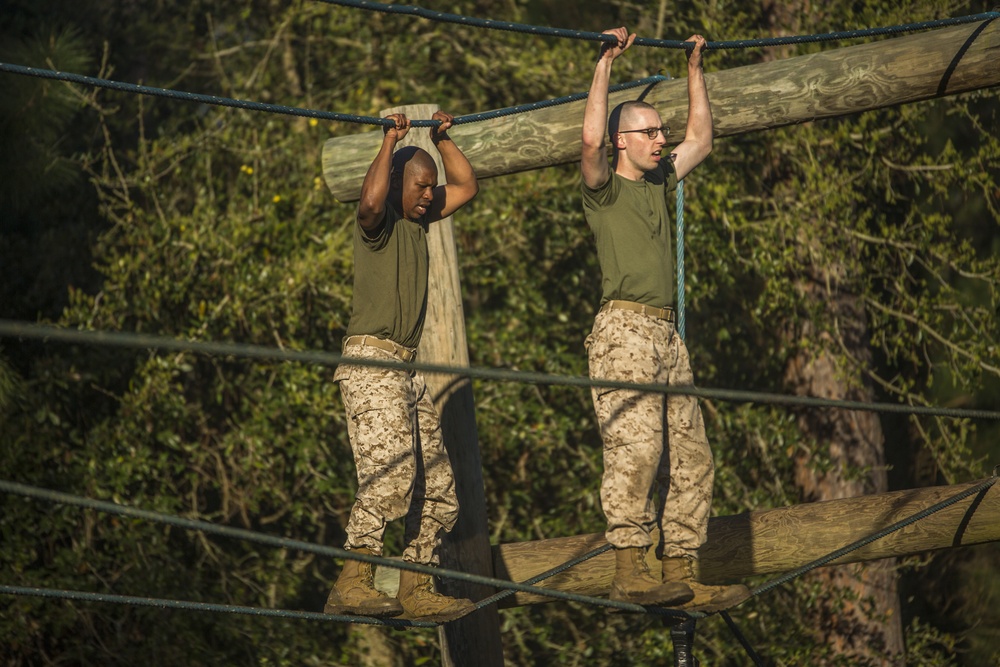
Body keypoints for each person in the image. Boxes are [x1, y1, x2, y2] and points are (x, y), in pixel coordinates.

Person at [580, 27, 748, 611]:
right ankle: (630, 568)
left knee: (694, 454)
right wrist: (605, 63)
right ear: (621, 141)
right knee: (638, 449)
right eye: (648, 132)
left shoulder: (658, 182)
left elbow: (701, 136)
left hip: (667, 335)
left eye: (659, 131)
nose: (661, 138)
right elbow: (588, 141)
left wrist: (694, 68)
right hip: (623, 331)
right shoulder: (604, 189)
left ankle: (680, 568)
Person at [324, 111, 479, 621]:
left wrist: (441, 139)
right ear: (394, 182)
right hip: (372, 361)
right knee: (389, 477)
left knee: (438, 488)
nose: (428, 196)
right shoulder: (378, 223)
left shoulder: (423, 219)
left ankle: (417, 586)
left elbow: (466, 185)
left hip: (407, 370)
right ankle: (354, 579)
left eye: (430, 189)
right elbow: (369, 200)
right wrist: (390, 140)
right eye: (418, 186)